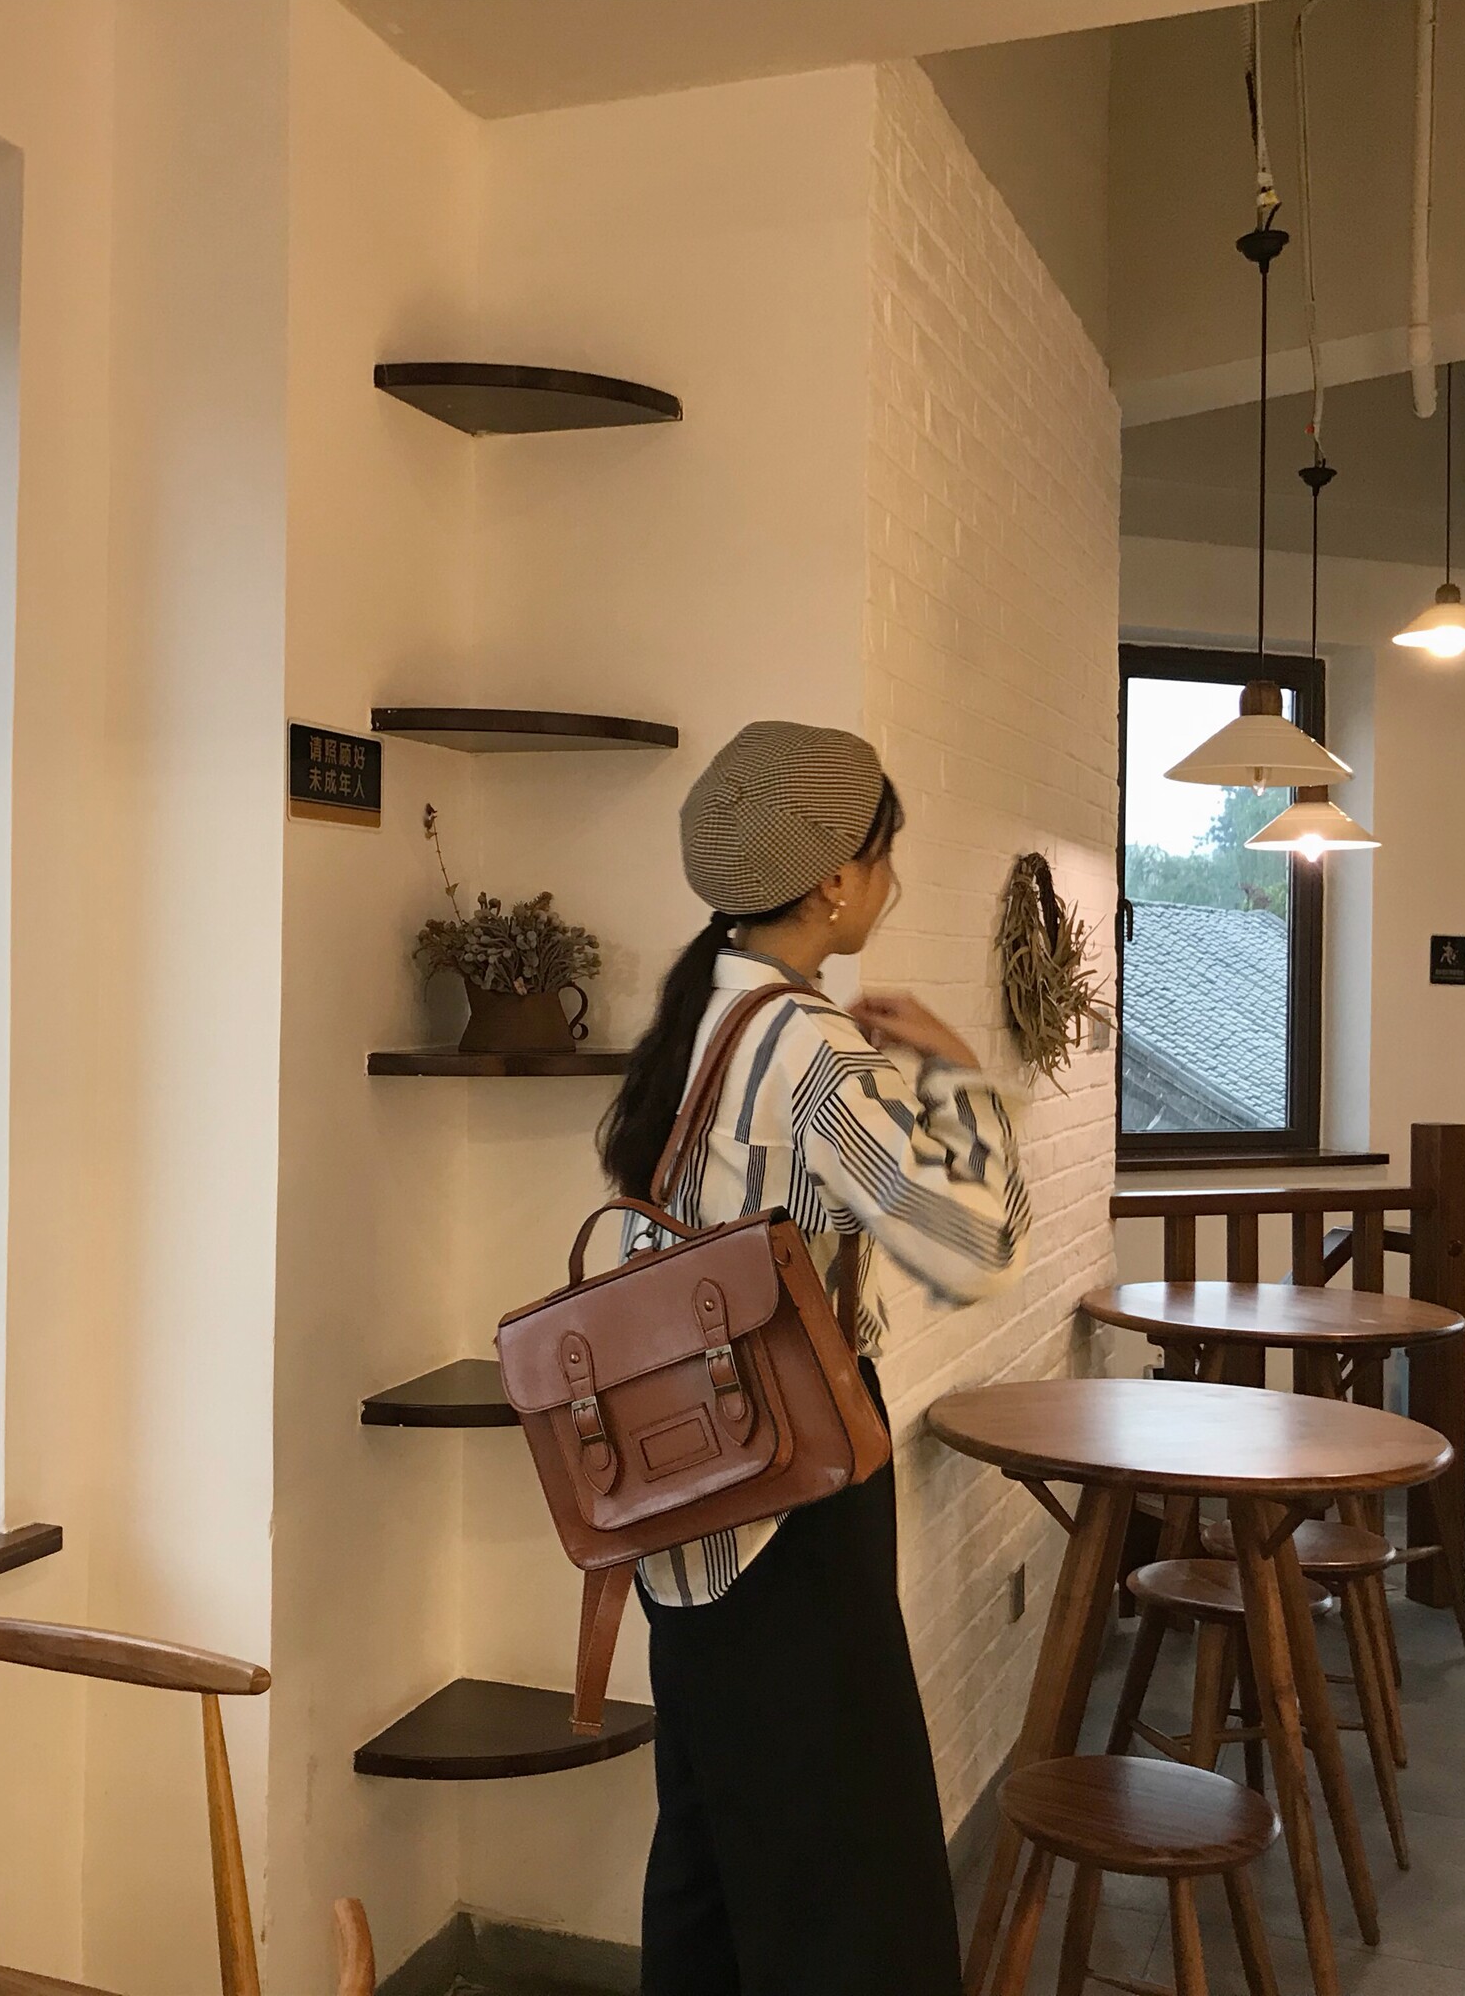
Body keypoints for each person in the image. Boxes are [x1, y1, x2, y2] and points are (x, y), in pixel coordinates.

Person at [598, 719, 1031, 1996]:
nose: (890, 879)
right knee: (848, 1872)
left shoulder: (698, 1013)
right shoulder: (808, 1046)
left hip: (678, 1487)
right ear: (835, 879)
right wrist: (957, 1076)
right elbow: (974, 1245)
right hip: (788, 1488)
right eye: (884, 855)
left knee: (713, 1851)